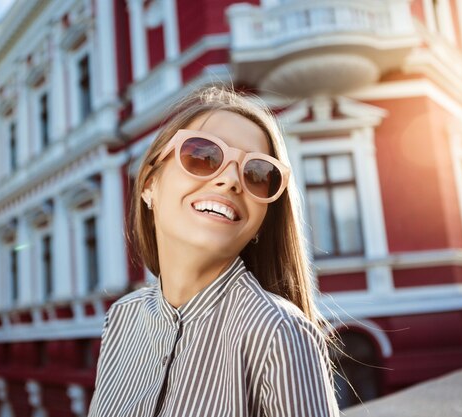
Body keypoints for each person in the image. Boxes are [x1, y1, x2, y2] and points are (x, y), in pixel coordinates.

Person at [87, 86, 339, 416]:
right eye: (203, 155)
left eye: (257, 174)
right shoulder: (121, 318)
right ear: (149, 183)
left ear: (263, 219)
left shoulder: (278, 331)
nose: (232, 180)